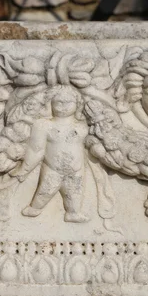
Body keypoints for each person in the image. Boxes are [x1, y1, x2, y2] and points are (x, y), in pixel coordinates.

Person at [11, 85, 90, 223]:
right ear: (51, 104)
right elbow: (36, 150)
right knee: (45, 192)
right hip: (53, 169)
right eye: (59, 102)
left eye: (68, 102)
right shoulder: (44, 125)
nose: (64, 106)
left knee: (75, 194)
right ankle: (34, 208)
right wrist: (25, 169)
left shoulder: (82, 126)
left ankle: (73, 213)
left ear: (77, 104)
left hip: (75, 170)